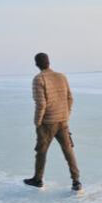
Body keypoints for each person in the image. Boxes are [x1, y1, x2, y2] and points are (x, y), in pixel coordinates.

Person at [24, 52, 82, 191]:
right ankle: (76, 181)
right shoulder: (61, 77)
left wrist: (37, 122)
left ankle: (38, 179)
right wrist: (66, 114)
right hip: (63, 120)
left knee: (41, 151)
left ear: (36, 64)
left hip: (47, 122)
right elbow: (70, 98)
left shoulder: (39, 79)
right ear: (49, 62)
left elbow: (41, 104)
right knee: (68, 150)